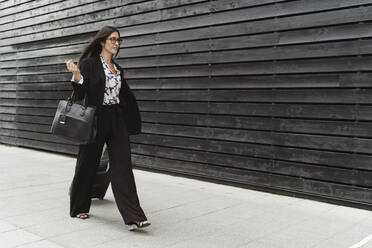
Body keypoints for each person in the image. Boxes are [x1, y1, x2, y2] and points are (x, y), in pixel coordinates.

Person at [65, 26, 150, 230]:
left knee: (122, 166)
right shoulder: (89, 64)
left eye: (119, 40)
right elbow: (80, 92)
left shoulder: (117, 68)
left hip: (116, 119)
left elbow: (125, 96)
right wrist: (77, 75)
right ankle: (78, 207)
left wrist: (130, 117)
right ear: (102, 42)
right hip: (96, 118)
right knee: (87, 162)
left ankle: (134, 215)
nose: (116, 43)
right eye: (112, 39)